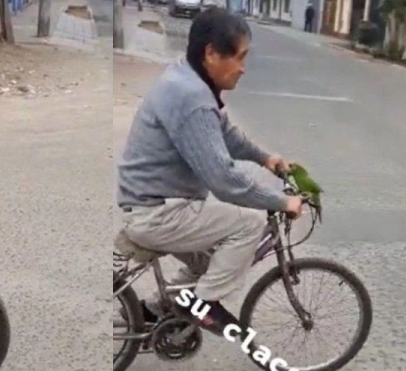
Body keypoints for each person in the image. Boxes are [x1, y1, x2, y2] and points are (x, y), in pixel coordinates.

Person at [116, 8, 303, 335]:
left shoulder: (187, 77)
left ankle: (158, 309)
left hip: (156, 203)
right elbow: (223, 180)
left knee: (215, 260)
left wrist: (266, 159)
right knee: (250, 224)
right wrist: (279, 201)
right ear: (211, 54)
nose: (243, 69)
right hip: (159, 212)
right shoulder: (193, 98)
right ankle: (202, 304)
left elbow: (224, 133)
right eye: (239, 58)